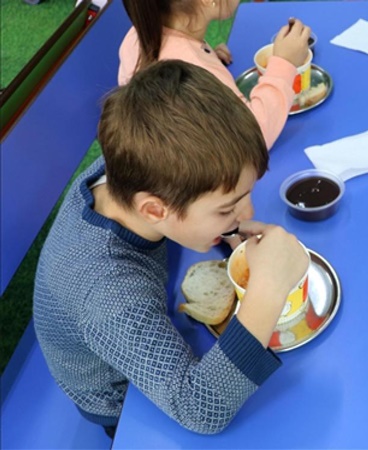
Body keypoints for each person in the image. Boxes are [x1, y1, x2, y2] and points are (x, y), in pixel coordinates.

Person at [33, 60, 309, 437]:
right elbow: (200, 411)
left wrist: (224, 225)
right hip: (121, 400)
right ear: (154, 209)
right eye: (228, 207)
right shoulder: (110, 295)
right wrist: (269, 291)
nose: (249, 213)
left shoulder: (127, 169)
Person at [118, 0, 312, 150]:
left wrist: (208, 56)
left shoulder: (138, 34)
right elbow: (254, 138)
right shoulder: (193, 72)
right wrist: (284, 64)